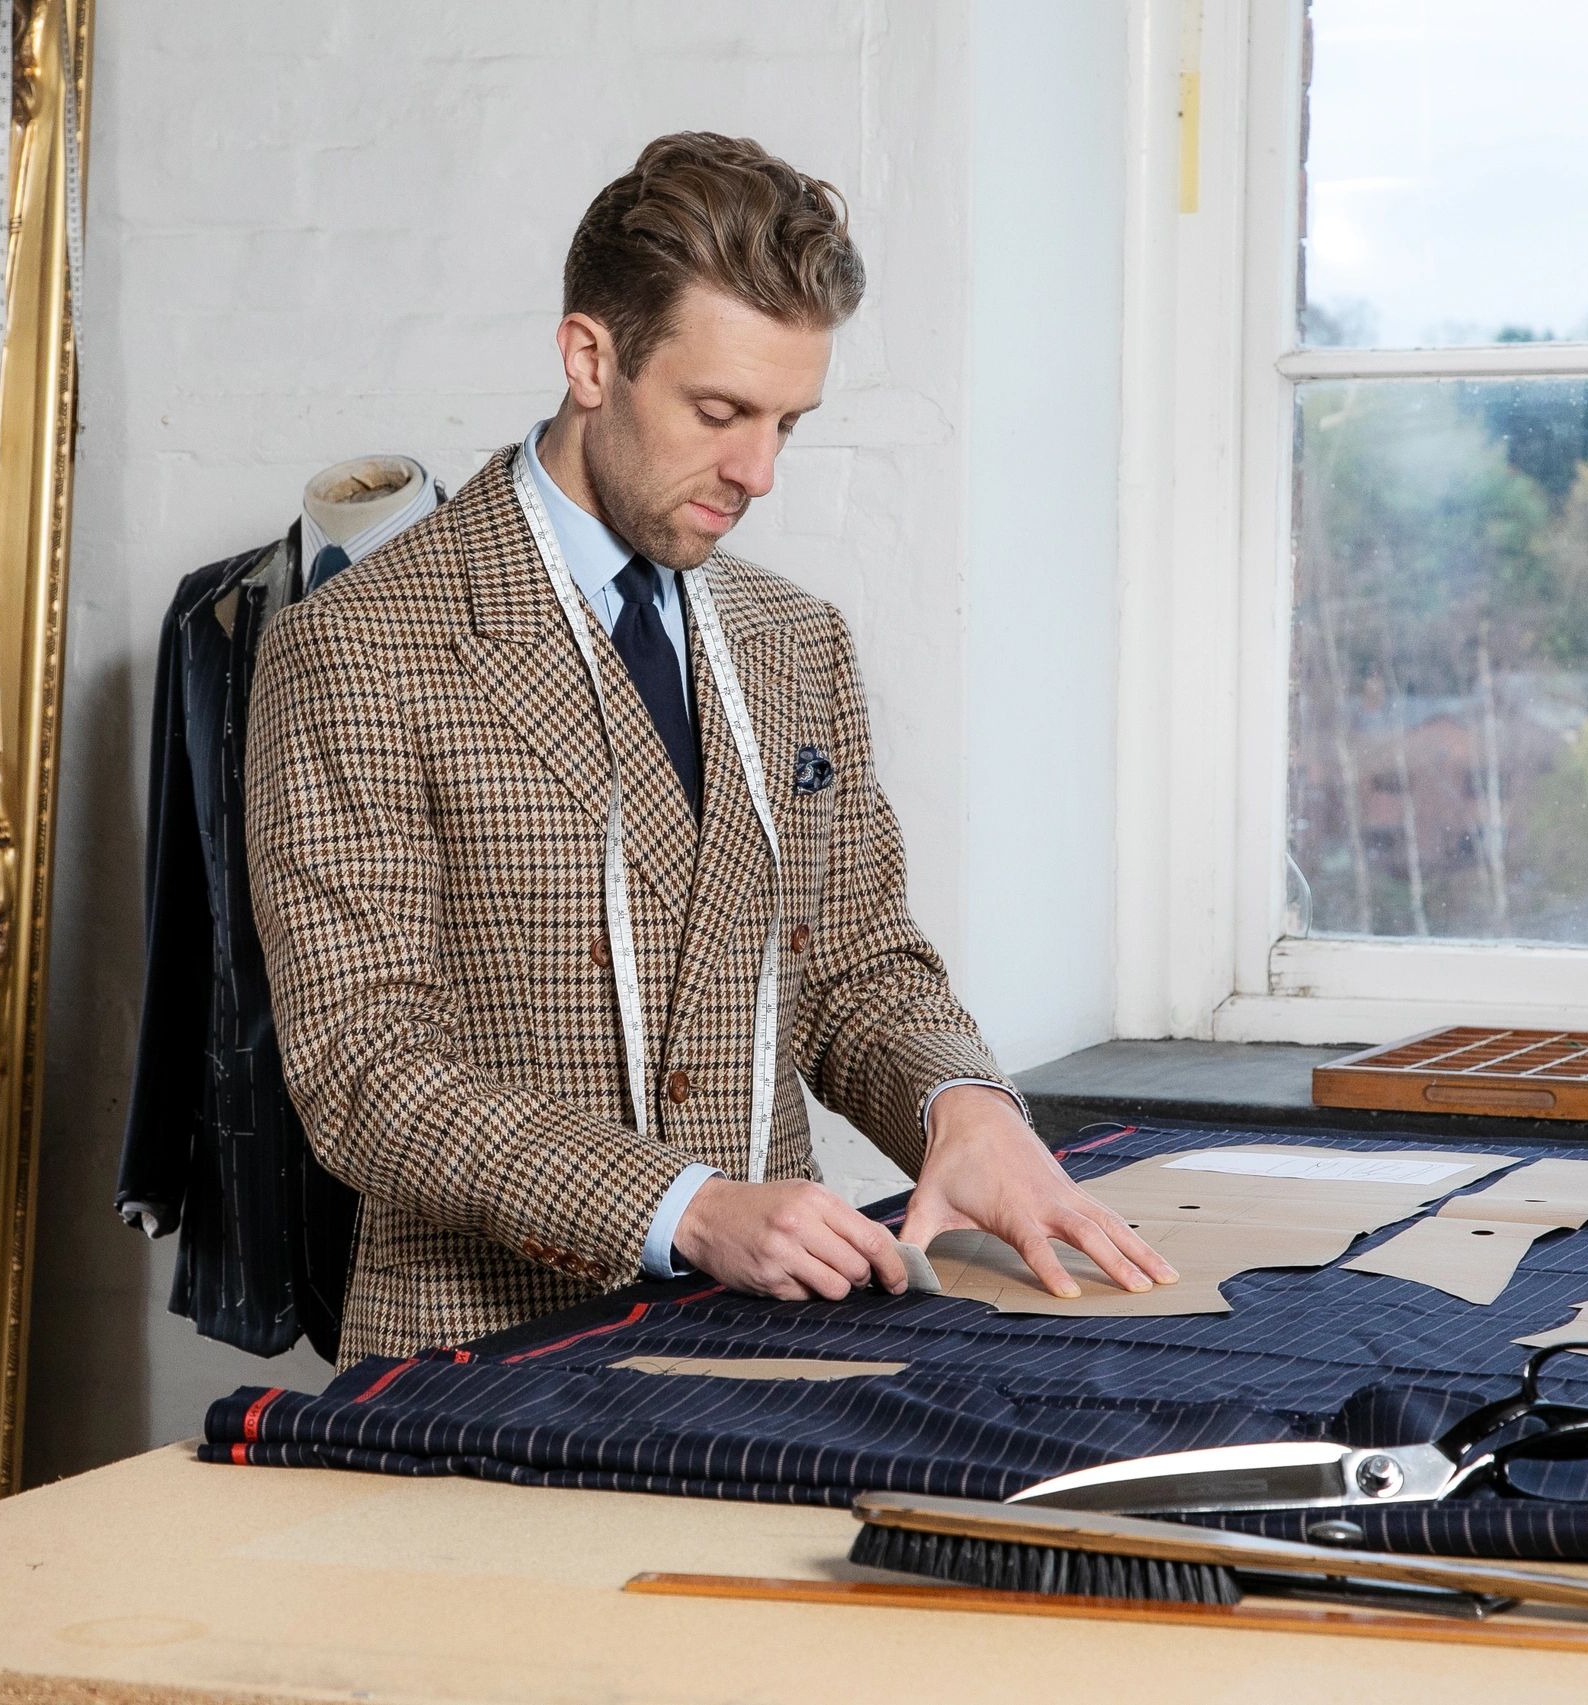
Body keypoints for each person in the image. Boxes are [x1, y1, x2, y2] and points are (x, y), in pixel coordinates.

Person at [244, 130, 1175, 1367]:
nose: (759, 471)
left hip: (774, 1356)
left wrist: (966, 1107)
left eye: (789, 421)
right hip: (475, 1364)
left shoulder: (795, 641)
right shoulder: (358, 645)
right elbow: (365, 1067)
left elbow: (857, 965)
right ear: (591, 357)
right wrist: (684, 1210)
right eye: (721, 412)